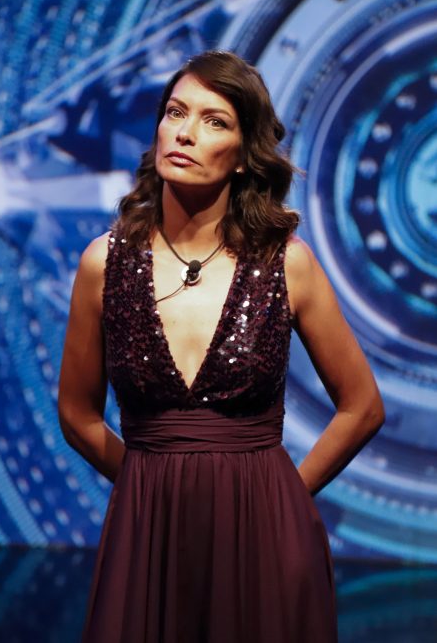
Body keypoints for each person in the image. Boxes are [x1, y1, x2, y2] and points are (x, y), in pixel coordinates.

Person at [58, 50, 384, 642]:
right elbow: (77, 414)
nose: (185, 132)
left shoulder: (286, 263)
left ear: (242, 155)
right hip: (147, 536)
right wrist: (146, 484)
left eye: (214, 121)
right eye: (175, 112)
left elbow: (362, 407)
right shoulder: (103, 263)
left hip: (266, 539)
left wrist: (282, 498)